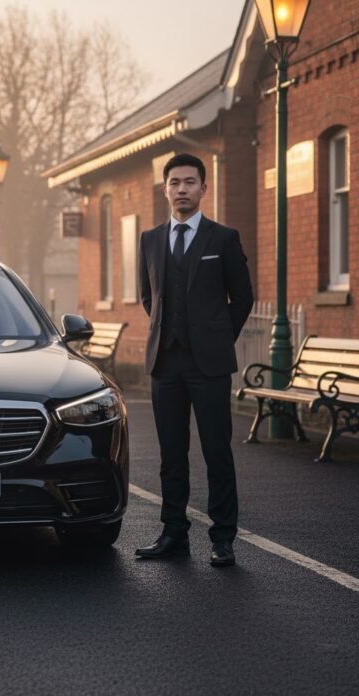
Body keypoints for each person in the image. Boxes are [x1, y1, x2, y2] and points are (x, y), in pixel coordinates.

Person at [135, 153, 254, 566]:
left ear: (204, 188)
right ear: (165, 188)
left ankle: (223, 539)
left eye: (190, 182)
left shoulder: (223, 238)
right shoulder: (150, 239)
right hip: (165, 364)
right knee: (171, 454)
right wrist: (169, 333)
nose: (182, 189)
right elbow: (148, 297)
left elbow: (243, 298)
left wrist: (217, 338)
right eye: (174, 182)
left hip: (210, 365)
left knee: (216, 452)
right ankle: (173, 534)